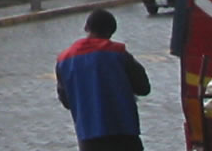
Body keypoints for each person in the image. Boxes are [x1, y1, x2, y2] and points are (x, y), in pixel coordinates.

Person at [56, 8, 151, 150]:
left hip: (88, 137)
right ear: (111, 32)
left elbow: (66, 101)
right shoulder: (119, 55)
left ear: (86, 27)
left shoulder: (64, 60)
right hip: (124, 133)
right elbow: (143, 88)